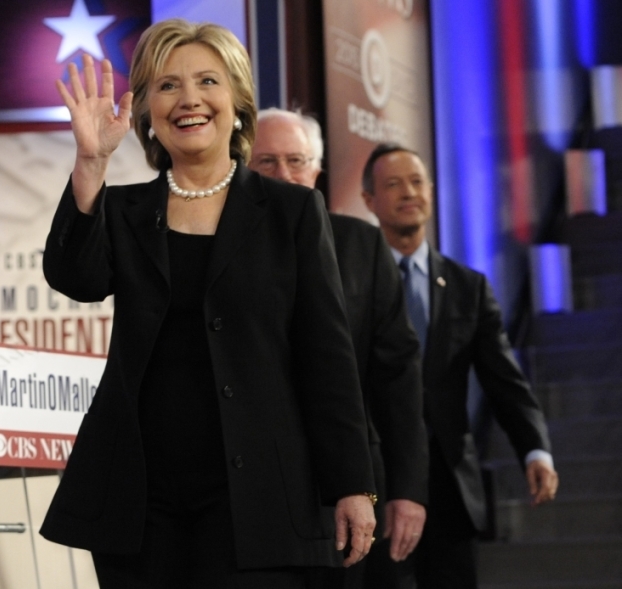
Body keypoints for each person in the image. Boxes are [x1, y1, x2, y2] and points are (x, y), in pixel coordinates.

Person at [38, 20, 377, 588]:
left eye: (207, 81)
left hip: (259, 494)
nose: (189, 99)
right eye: (167, 86)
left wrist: (352, 483)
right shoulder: (122, 211)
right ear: (146, 109)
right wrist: (90, 162)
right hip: (140, 498)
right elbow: (75, 277)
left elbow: (327, 356)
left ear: (237, 102)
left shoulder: (292, 212)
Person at [361, 142, 560, 589]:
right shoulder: (354, 282)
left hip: (452, 487)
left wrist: (535, 448)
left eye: (417, 182)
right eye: (393, 184)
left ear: (431, 192)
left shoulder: (469, 286)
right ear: (369, 201)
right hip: (379, 481)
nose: (409, 192)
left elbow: (504, 379)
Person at [250, 109, 428, 589]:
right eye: (266, 163)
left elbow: (398, 377)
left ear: (317, 170)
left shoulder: (362, 246)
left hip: (346, 484)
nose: (284, 175)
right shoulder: (220, 247)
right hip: (250, 483)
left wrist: (408, 490)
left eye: (296, 161)